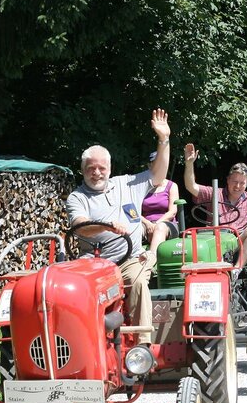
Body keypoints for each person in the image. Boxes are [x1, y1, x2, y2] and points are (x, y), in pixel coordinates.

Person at [65, 109, 171, 346]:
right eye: (91, 168)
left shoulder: (127, 184)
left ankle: (142, 345)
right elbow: (79, 227)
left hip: (129, 259)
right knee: (75, 290)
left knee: (138, 282)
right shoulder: (77, 197)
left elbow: (158, 174)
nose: (96, 173)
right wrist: (105, 227)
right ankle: (81, 343)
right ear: (83, 170)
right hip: (94, 263)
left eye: (101, 168)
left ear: (110, 169)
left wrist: (163, 139)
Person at [183, 144, 247, 262]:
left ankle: (237, 269)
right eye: (234, 181)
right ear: (228, 180)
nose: (238, 186)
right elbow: (191, 186)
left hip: (238, 243)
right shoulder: (214, 194)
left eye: (242, 183)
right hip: (214, 240)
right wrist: (189, 164)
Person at [140, 150, 180, 256]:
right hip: (145, 224)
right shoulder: (141, 187)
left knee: (160, 228)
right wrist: (147, 223)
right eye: (155, 164)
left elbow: (172, 212)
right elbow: (134, 212)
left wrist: (156, 224)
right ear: (149, 166)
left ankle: (151, 259)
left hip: (167, 224)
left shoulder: (172, 186)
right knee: (133, 228)